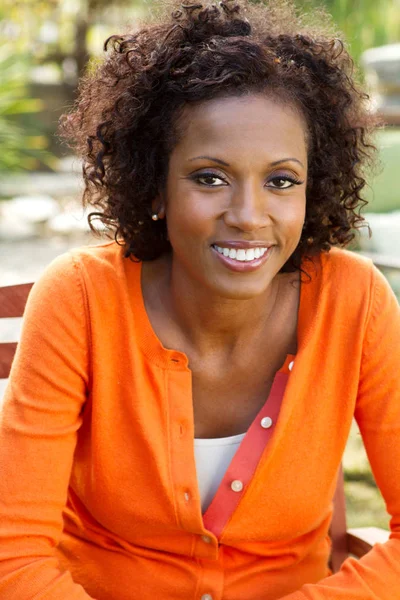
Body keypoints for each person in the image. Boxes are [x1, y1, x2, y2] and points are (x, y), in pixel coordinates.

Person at [1, 0, 400, 598]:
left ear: (313, 187)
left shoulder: (355, 301)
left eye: (281, 180)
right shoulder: (80, 298)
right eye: (209, 177)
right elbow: (15, 554)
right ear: (154, 183)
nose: (247, 215)